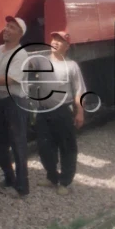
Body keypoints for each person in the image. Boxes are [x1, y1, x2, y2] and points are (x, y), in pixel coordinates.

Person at [31, 30, 86, 195]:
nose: (54, 42)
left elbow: (79, 91)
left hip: (63, 111)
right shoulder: (41, 61)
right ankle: (51, 177)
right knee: (44, 147)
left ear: (67, 46)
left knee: (67, 147)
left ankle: (65, 182)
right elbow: (26, 65)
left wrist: (80, 112)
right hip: (43, 111)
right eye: (54, 38)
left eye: (60, 40)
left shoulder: (71, 66)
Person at [0, 16, 31, 199]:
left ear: (20, 34)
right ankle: (9, 178)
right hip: (0, 100)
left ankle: (22, 187)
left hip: (15, 102)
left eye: (12, 27)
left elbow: (11, 80)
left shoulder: (21, 55)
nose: (6, 29)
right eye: (7, 25)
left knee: (18, 144)